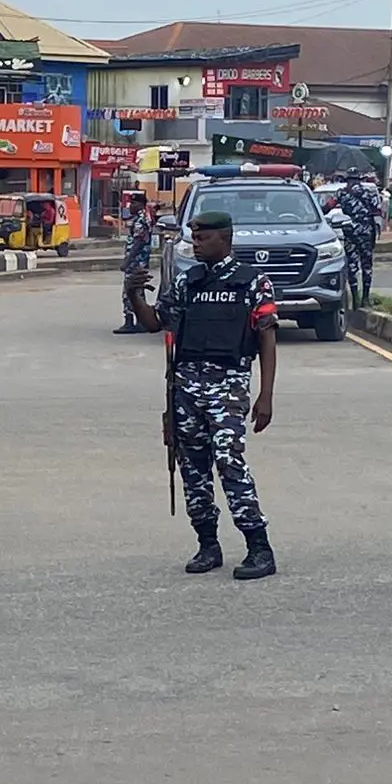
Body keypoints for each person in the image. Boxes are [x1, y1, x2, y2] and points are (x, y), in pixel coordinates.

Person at [126, 211, 279, 581]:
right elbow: (155, 323)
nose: (195, 243)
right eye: (193, 238)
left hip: (228, 385)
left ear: (224, 239)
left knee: (228, 461)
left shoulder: (252, 283)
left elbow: (267, 338)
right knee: (192, 468)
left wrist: (266, 396)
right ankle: (208, 544)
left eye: (202, 238)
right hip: (185, 387)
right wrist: (133, 293)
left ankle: (259, 547)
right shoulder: (187, 282)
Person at [337, 167, 381, 307]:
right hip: (366, 232)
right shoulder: (369, 192)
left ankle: (355, 298)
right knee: (366, 265)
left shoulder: (341, 193)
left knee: (352, 265)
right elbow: (377, 211)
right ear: (360, 179)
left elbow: (326, 207)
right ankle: (365, 299)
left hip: (349, 231)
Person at [115, 191, 154, 334]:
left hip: (136, 262)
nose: (131, 206)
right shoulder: (141, 218)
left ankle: (130, 322)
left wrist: (127, 261)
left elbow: (137, 242)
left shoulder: (141, 220)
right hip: (139, 261)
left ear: (141, 205)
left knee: (129, 290)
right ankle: (141, 322)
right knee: (138, 290)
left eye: (134, 203)